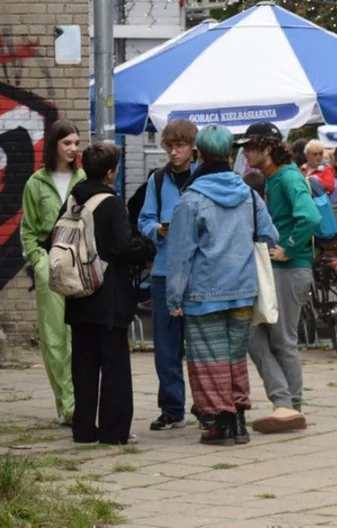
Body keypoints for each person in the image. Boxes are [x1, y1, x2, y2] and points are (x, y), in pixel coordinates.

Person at [167, 125, 279, 446]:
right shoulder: (249, 194)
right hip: (243, 290)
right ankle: (239, 422)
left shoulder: (191, 200)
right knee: (234, 358)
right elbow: (270, 235)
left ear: (199, 154)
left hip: (204, 293)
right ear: (231, 155)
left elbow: (180, 255)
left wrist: (173, 297)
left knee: (207, 360)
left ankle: (221, 424)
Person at [64, 143, 156, 444]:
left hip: (78, 293)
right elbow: (121, 247)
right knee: (114, 365)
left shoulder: (74, 198)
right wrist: (144, 246)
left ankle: (83, 429)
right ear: (110, 172)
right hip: (108, 294)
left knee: (84, 365)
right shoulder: (112, 202)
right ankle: (114, 431)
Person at [238, 122, 321, 433]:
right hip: (280, 271)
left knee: (283, 341)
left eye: (250, 146)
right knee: (255, 335)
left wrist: (288, 247)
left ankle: (291, 407)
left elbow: (310, 217)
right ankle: (284, 401)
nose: (245, 152)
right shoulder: (274, 178)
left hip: (290, 268)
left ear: (268, 149)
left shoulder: (287, 177)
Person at [136, 118, 199, 432]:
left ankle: (205, 406)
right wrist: (156, 229)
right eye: (171, 146)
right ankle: (172, 408)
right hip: (163, 271)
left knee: (200, 343)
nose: (175, 152)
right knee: (166, 346)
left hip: (199, 272)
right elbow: (143, 218)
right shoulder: (157, 180)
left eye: (181, 146)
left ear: (192, 147)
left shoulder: (203, 178)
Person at [20, 119, 84, 426]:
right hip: (50, 266)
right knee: (55, 337)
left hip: (80, 266)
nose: (72, 149)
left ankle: (81, 400)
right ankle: (67, 405)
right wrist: (39, 262)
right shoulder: (36, 182)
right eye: (66, 143)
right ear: (54, 146)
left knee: (80, 335)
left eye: (76, 143)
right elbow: (29, 230)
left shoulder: (83, 178)